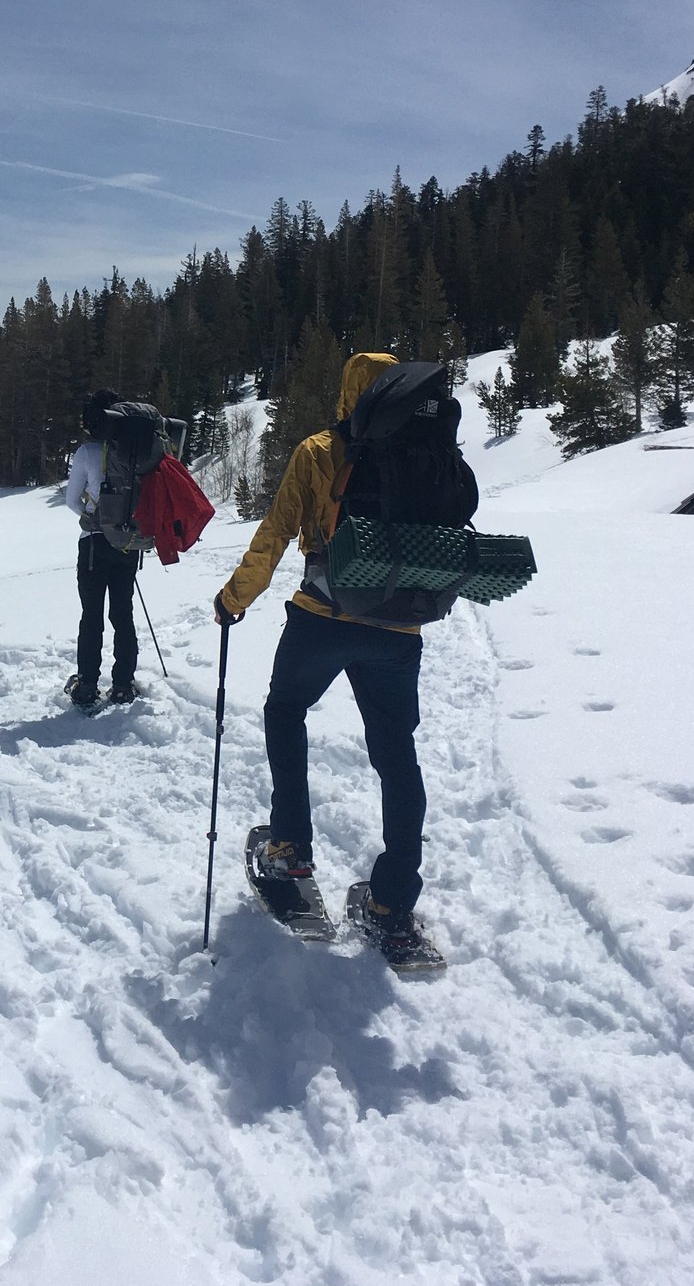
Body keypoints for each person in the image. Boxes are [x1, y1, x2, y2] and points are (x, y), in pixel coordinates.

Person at [213, 351, 442, 961]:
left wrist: (235, 598)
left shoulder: (319, 451)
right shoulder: (425, 450)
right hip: (399, 627)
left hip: (323, 618)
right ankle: (393, 902)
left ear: (350, 393)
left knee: (286, 710)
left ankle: (290, 850)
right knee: (397, 756)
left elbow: (275, 533)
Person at [61, 390, 140, 707]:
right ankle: (122, 684)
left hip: (94, 543)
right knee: (123, 613)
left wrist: (92, 517)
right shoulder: (135, 451)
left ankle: (87, 684)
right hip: (127, 541)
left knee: (91, 614)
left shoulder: (87, 453)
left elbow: (71, 500)